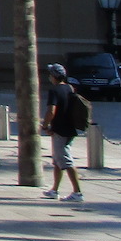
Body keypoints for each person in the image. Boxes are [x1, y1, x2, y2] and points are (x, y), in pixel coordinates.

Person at [41, 63, 84, 201]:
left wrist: (45, 125)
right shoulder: (70, 88)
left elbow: (51, 111)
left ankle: (77, 192)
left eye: (50, 74)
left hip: (60, 130)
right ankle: (54, 190)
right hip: (70, 128)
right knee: (57, 161)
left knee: (66, 161)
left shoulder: (54, 91)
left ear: (54, 76)